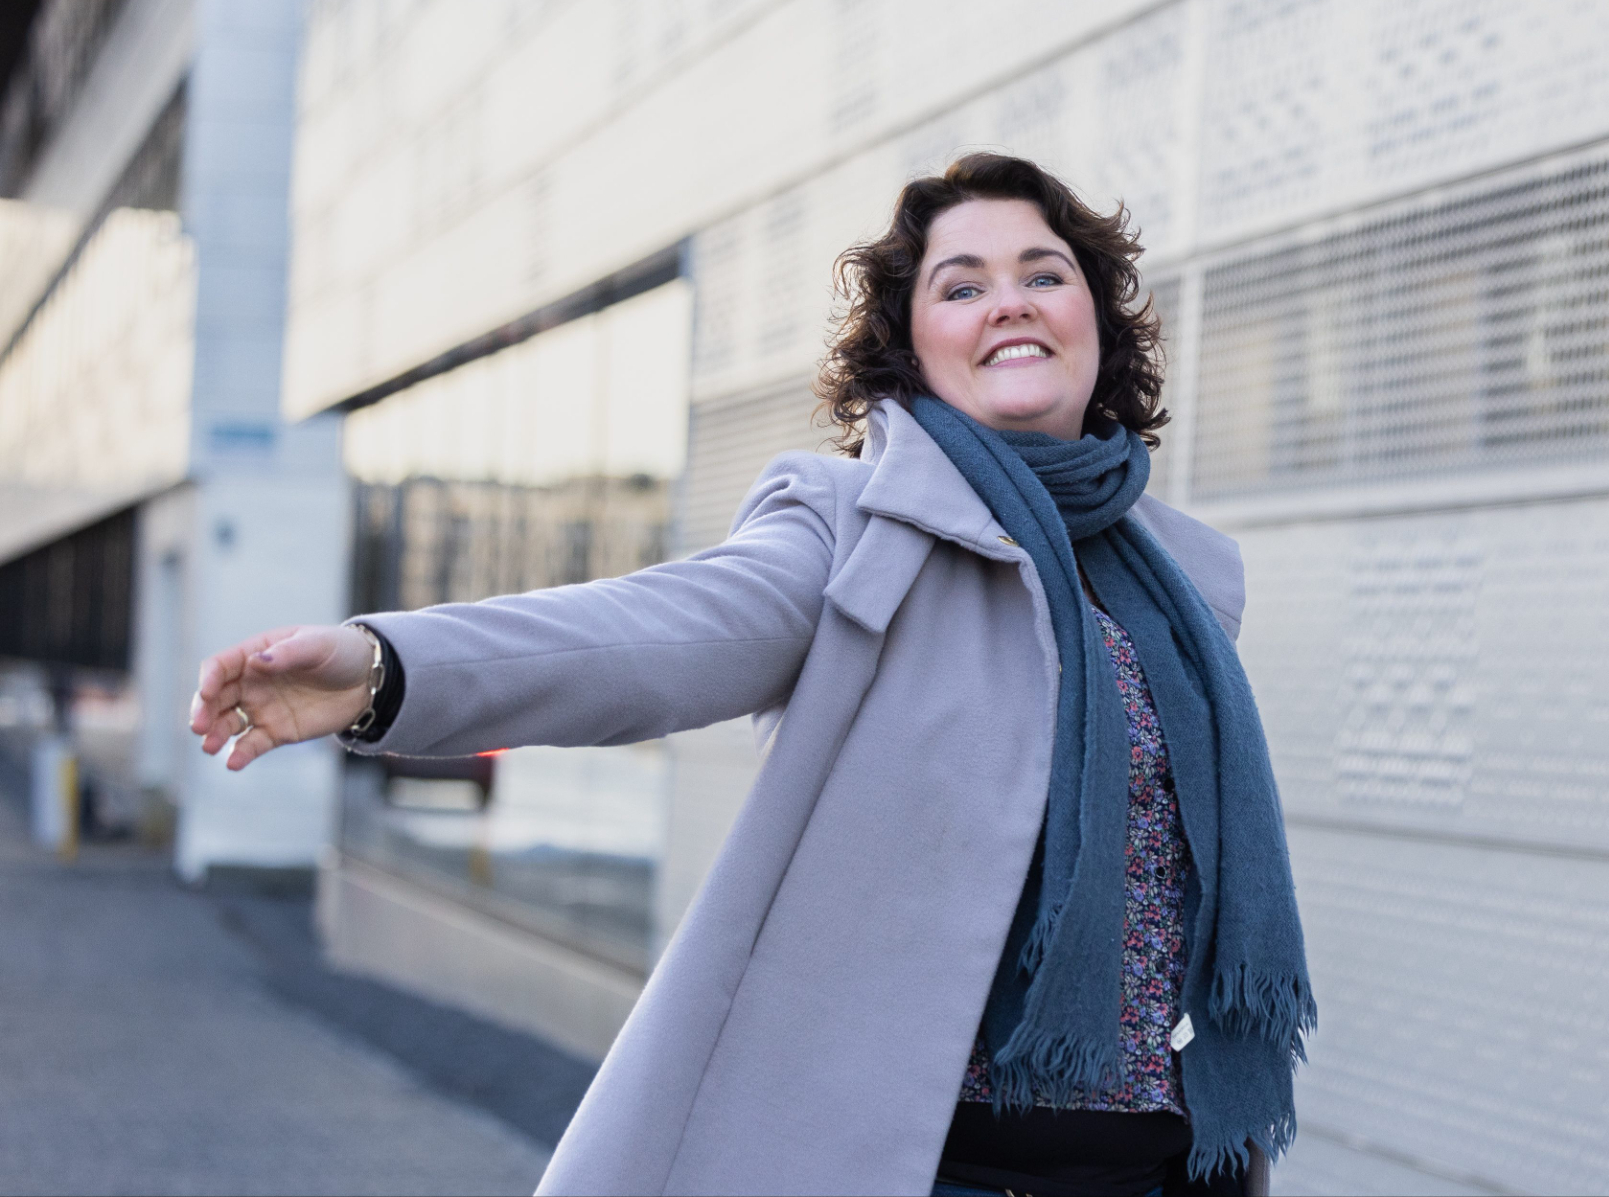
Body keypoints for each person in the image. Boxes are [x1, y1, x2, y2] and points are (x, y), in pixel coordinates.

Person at [189, 154, 1312, 1197]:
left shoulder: (1178, 584)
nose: (1008, 302)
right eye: (962, 286)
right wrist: (390, 668)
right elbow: (648, 637)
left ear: (1097, 322)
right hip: (922, 1167)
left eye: (1043, 274)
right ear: (911, 348)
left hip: (1159, 1164)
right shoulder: (854, 527)